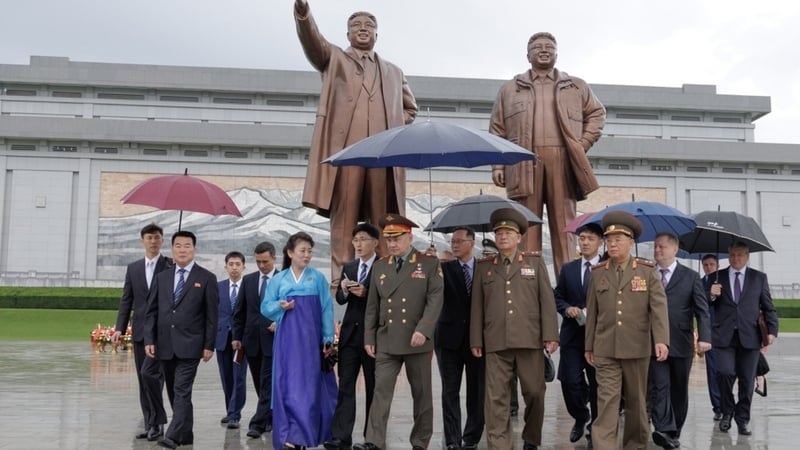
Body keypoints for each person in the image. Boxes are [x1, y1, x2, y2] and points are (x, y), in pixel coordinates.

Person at [293, 0, 418, 279]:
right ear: (348, 34)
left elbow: (410, 109)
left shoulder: (393, 72)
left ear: (377, 34)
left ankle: (385, 275)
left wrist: (393, 124)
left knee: (382, 218)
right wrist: (304, 15)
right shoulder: (335, 58)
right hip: (347, 153)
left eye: (369, 26)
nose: (363, 29)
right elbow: (314, 43)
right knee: (345, 218)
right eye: (356, 26)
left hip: (382, 157)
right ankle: (342, 278)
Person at [489, 32, 606, 277]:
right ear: (528, 54)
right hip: (522, 161)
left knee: (564, 225)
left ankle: (569, 283)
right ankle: (528, 281)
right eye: (538, 47)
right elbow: (497, 129)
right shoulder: (511, 88)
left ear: (556, 53)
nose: (544, 50)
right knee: (526, 224)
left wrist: (582, 144)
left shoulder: (575, 85)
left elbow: (597, 114)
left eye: (549, 47)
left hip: (562, 160)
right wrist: (498, 165)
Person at [470, 208, 559, 450]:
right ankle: (500, 444)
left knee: (535, 393)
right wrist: (476, 339)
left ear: (519, 237)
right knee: (495, 398)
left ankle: (531, 438)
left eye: (508, 233)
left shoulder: (534, 262)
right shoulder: (484, 266)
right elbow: (477, 306)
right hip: (495, 341)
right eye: (499, 233)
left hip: (530, 340)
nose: (502, 237)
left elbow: (547, 301)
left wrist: (551, 335)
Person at [354, 214, 443, 450]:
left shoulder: (429, 263)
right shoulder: (381, 266)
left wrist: (424, 330)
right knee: (380, 391)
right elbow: (373, 305)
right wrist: (369, 337)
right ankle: (373, 440)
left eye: (397, 239)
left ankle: (420, 441)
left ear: (409, 237)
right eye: (388, 239)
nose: (392, 244)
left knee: (422, 395)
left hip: (417, 340)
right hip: (387, 340)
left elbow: (435, 300)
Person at [584, 211, 669, 450]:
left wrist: (661, 340)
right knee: (607, 401)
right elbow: (593, 312)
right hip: (606, 347)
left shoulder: (646, 270)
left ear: (631, 242)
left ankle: (635, 444)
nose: (612, 244)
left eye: (618, 240)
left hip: (636, 347)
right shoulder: (598, 272)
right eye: (609, 240)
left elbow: (658, 307)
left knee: (636, 402)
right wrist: (589, 345)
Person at [261, 232, 338, 450]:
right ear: (290, 252)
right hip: (287, 341)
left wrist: (327, 338)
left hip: (311, 342)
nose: (307, 255)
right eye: (302, 250)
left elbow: (326, 309)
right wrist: (280, 306)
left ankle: (305, 435)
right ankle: (289, 436)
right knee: (288, 385)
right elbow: (265, 307)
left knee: (309, 389)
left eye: (310, 251)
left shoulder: (318, 279)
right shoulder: (279, 280)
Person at [143, 230, 218, 449]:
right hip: (165, 344)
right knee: (174, 391)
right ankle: (186, 433)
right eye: (178, 245)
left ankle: (173, 436)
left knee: (182, 390)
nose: (182, 250)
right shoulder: (162, 277)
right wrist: (149, 339)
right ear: (172, 248)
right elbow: (151, 312)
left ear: (194, 249)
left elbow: (211, 316)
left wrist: (209, 345)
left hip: (191, 345)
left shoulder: (206, 278)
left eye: (187, 246)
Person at [648, 233, 712, 449]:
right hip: (653, 342)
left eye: (662, 247)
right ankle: (662, 428)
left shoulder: (690, 276)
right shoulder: (647, 274)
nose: (657, 251)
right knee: (659, 386)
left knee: (678, 389)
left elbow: (702, 310)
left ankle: (673, 432)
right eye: (656, 247)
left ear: (675, 250)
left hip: (680, 341)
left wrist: (705, 337)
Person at [709, 241, 778, 435]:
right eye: (732, 255)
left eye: (740, 255)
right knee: (724, 373)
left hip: (750, 337)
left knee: (747, 381)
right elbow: (703, 301)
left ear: (747, 256)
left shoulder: (758, 278)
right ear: (728, 256)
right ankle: (727, 411)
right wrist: (711, 294)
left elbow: (768, 306)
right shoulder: (717, 277)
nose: (736, 258)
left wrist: (772, 331)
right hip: (724, 337)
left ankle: (742, 419)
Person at [111, 223, 172, 441]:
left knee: (153, 377)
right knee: (143, 379)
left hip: (163, 333)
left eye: (157, 237)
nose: (153, 241)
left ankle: (157, 422)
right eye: (149, 237)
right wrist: (119, 328)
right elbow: (126, 300)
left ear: (162, 240)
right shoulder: (134, 268)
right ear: (142, 240)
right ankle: (150, 423)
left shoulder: (170, 266)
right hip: (139, 333)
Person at [324, 223, 380, 450]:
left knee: (373, 387)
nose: (358, 244)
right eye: (355, 240)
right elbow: (340, 299)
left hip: (373, 337)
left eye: (363, 239)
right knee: (346, 385)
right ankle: (341, 436)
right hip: (349, 337)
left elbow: (385, 299)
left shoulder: (383, 266)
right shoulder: (349, 266)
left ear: (375, 242)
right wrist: (346, 289)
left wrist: (366, 293)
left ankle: (372, 436)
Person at [553, 222, 603, 449]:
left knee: (597, 385)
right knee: (569, 380)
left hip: (599, 338)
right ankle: (580, 416)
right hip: (573, 336)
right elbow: (558, 296)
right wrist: (567, 309)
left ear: (600, 242)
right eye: (582, 238)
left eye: (590, 238)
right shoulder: (569, 269)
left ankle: (595, 427)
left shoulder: (607, 267)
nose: (584, 242)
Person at [435, 227, 485, 450]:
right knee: (449, 390)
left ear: (472, 243)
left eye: (459, 241)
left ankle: (472, 436)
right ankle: (453, 439)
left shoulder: (485, 269)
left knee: (477, 390)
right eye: (452, 241)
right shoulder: (443, 269)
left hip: (477, 339)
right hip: (448, 339)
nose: (454, 245)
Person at [232, 241, 278, 439]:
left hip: (274, 339)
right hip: (251, 341)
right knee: (260, 383)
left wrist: (280, 323)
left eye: (265, 261)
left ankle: (257, 424)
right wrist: (237, 337)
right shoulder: (248, 280)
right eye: (258, 261)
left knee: (267, 382)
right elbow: (239, 312)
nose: (261, 266)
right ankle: (269, 416)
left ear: (274, 259)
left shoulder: (283, 279)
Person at [215, 251, 248, 429]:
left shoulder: (247, 286)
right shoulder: (218, 287)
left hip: (241, 340)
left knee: (239, 377)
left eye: (238, 264)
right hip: (222, 338)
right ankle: (230, 410)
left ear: (244, 266)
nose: (234, 267)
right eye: (231, 264)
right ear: (226, 266)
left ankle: (235, 413)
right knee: (226, 376)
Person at [700, 253, 722, 421]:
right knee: (712, 371)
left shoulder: (725, 281)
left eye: (711, 264)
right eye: (706, 265)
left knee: (728, 371)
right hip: (709, 333)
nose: (708, 267)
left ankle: (728, 403)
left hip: (726, 332)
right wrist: (710, 294)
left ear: (717, 265)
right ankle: (718, 406)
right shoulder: (700, 283)